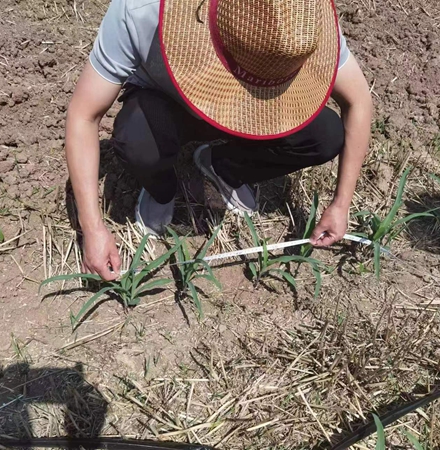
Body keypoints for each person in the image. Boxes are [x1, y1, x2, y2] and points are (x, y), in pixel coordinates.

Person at [65, 0, 373, 281]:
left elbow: (358, 101)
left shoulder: (301, 22)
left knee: (325, 135)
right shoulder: (141, 11)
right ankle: (161, 190)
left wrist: (341, 204)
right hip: (167, 104)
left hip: (257, 107)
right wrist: (91, 229)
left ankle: (224, 168)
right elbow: (84, 115)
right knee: (137, 138)